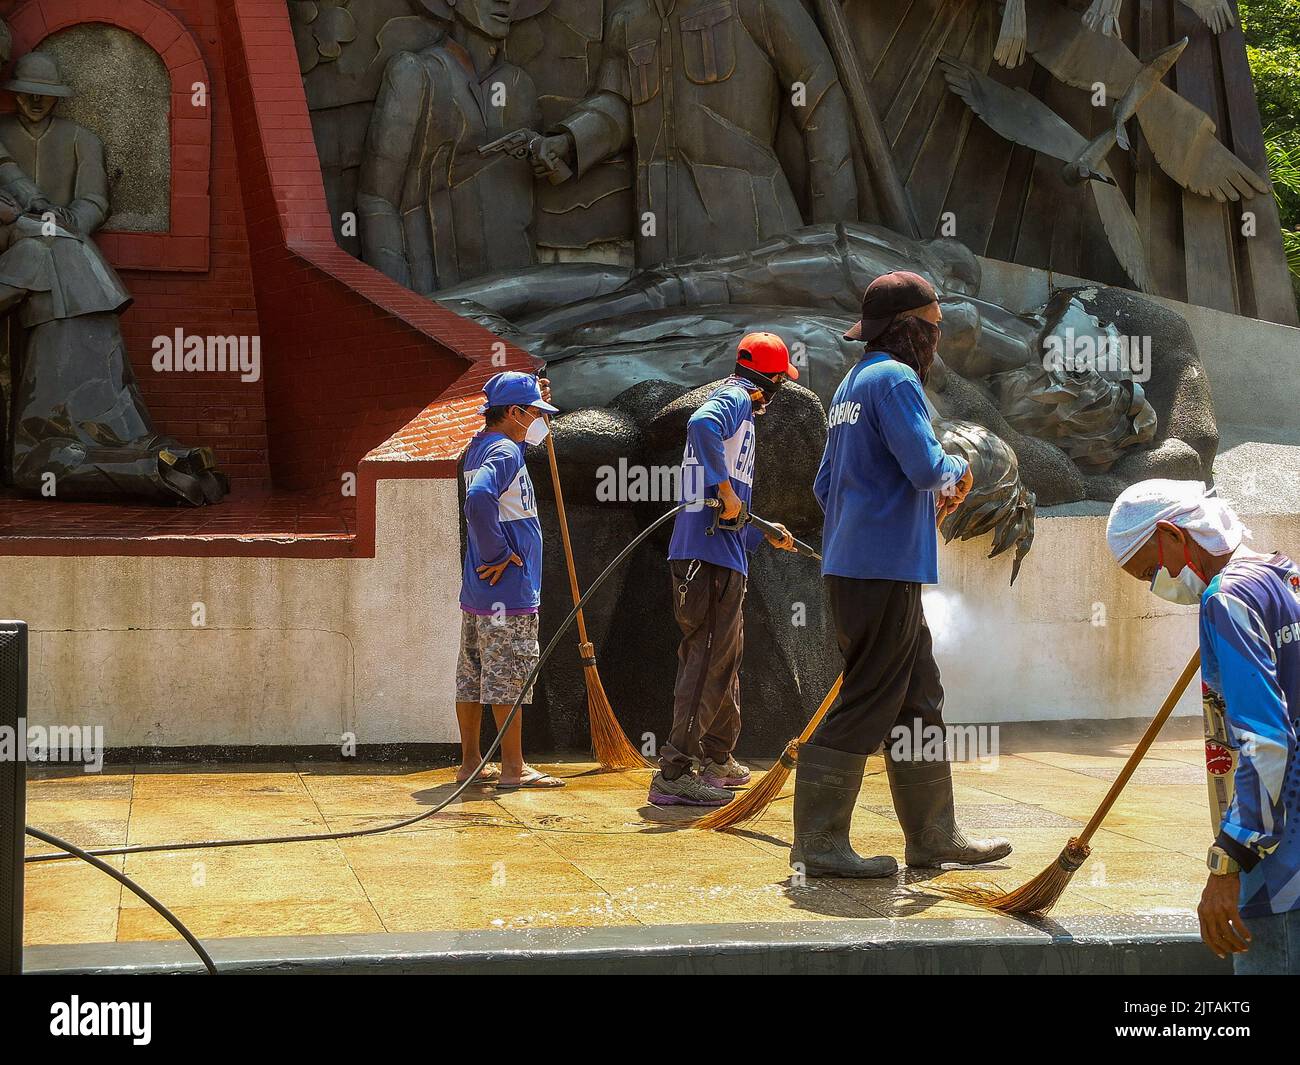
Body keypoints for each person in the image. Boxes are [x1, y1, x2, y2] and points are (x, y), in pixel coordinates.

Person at [790, 271, 1012, 877]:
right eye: (935, 327)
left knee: (918, 698)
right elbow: (927, 467)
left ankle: (934, 836)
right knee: (869, 700)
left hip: (858, 565)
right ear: (909, 328)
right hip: (882, 567)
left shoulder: (852, 385)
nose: (938, 339)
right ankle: (819, 844)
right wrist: (960, 466)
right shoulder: (896, 379)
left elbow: (824, 484)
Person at [1107, 479, 1300, 974]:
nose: (1158, 584)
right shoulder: (1280, 575)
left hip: (1278, 868)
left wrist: (1230, 859)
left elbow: (1269, 742)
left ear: (1173, 534)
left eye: (1152, 570)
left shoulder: (1227, 600)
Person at [649, 333, 798, 806]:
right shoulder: (734, 396)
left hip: (724, 553)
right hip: (705, 557)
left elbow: (730, 509)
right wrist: (730, 495)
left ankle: (716, 757)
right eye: (780, 381)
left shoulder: (744, 415)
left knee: (724, 662)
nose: (779, 392)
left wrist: (762, 529)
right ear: (768, 380)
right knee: (707, 660)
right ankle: (674, 771)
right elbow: (700, 425)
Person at [456, 371, 565, 790]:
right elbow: (480, 499)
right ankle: (514, 769)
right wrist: (500, 554)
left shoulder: (481, 446)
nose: (541, 420)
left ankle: (470, 764)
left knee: (472, 673)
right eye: (535, 413)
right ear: (515, 412)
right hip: (508, 593)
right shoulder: (503, 452)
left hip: (479, 593)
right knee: (509, 676)